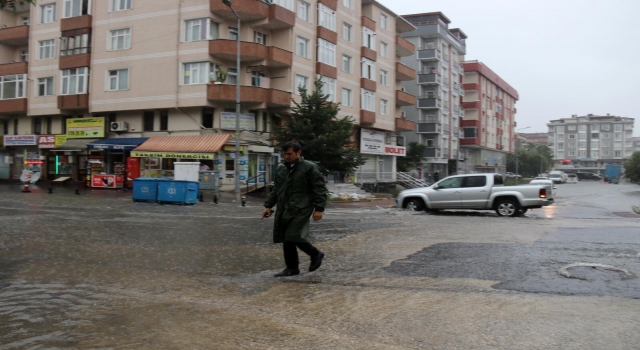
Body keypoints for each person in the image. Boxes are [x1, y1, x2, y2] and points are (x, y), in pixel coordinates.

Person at [262, 141, 328, 277]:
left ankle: (315, 253)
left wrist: (319, 209)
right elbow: (276, 189)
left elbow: (319, 189)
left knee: (292, 234)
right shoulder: (281, 168)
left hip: (302, 207)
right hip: (285, 207)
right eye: (285, 154)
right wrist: (268, 206)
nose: (287, 157)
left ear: (299, 153)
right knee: (286, 237)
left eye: (289, 154)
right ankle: (292, 268)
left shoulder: (309, 167)